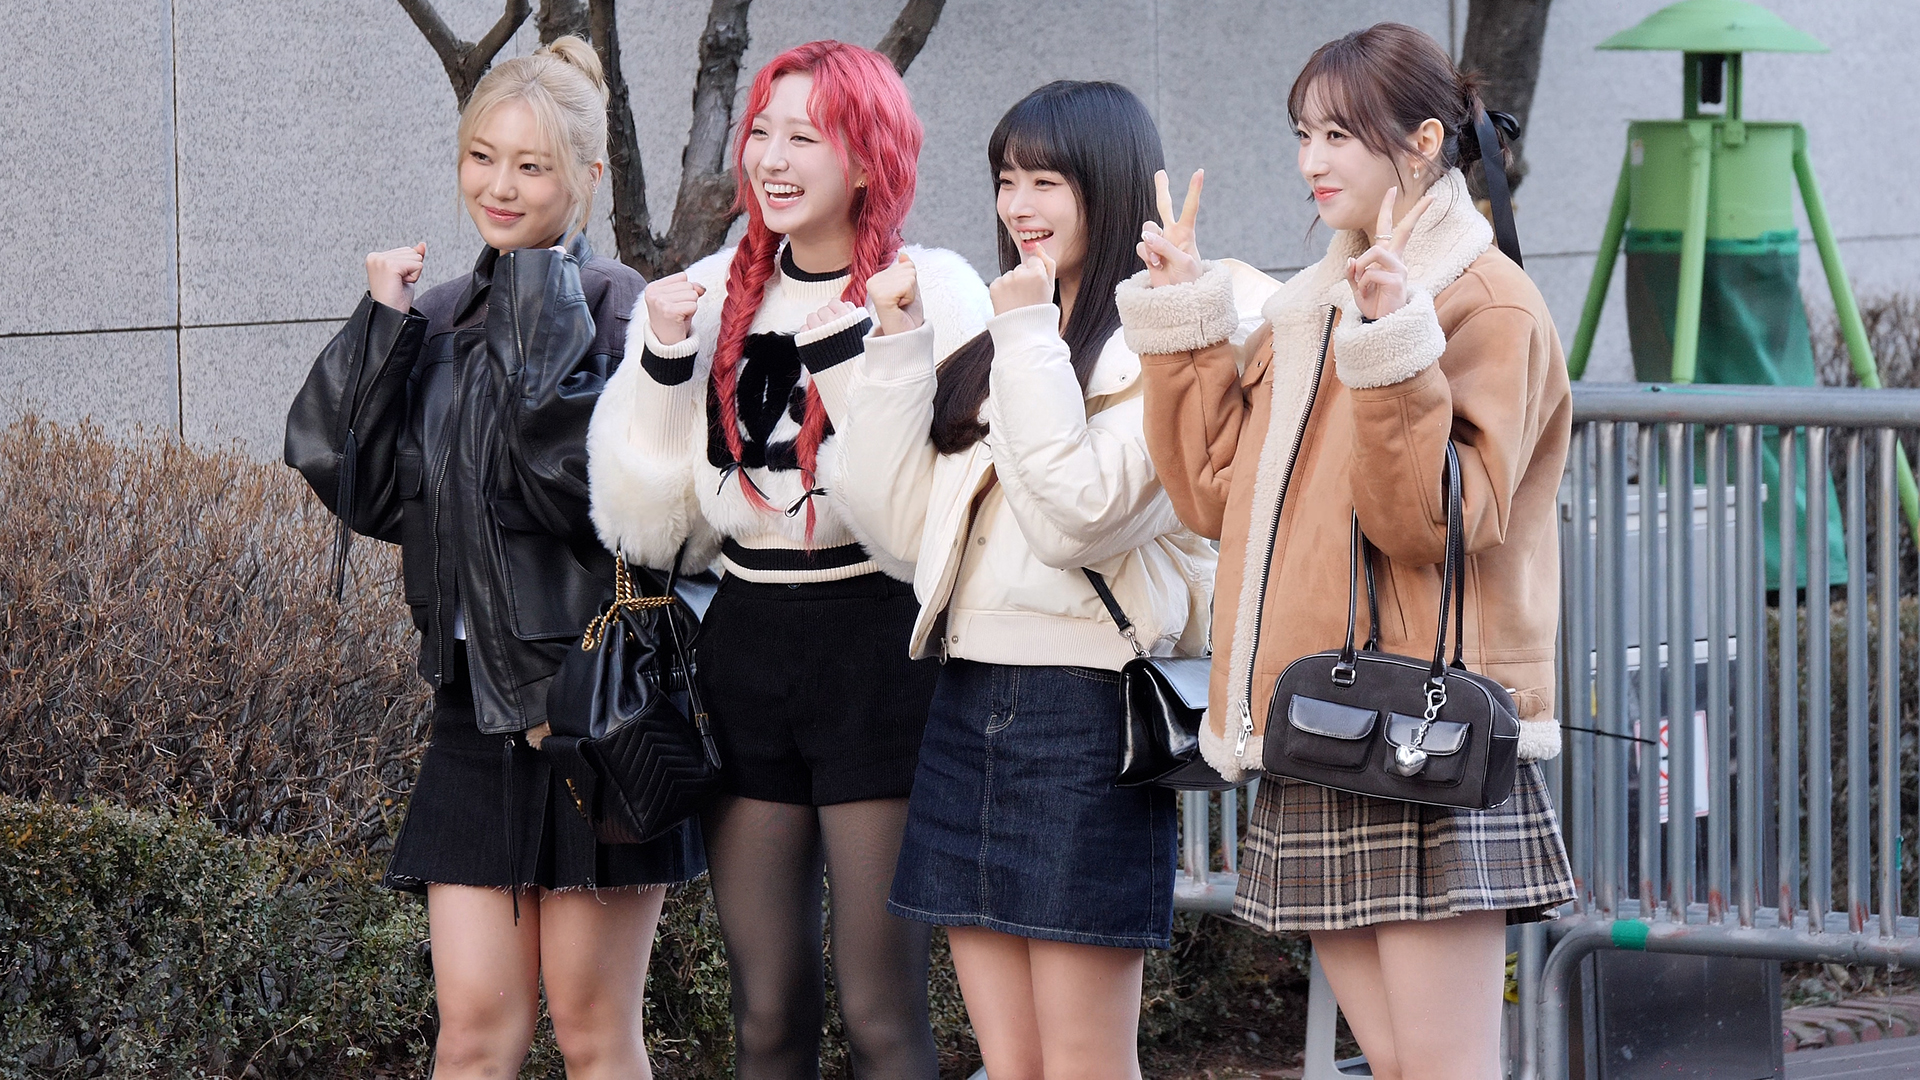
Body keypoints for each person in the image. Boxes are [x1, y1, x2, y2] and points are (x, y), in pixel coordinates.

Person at [1116, 23, 1575, 1080]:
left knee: (1446, 1069)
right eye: (1302, 134)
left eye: (1337, 135)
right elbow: (1214, 495)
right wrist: (1184, 320)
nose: (1310, 161)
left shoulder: (1488, 301)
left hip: (1424, 729)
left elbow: (1433, 523)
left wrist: (1396, 347)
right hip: (1324, 717)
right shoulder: (1310, 306)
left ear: (1424, 142)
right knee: (1400, 1067)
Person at [284, 37, 701, 1080]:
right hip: (472, 710)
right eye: (482, 157)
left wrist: (537, 296)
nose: (499, 187)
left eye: (531, 166)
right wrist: (380, 328)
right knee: (472, 1034)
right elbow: (356, 483)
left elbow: (573, 496)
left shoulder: (620, 310)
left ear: (586, 177)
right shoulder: (435, 317)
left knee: (594, 1032)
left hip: (593, 709)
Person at [585, 40, 989, 1080]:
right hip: (747, 649)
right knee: (766, 1013)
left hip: (879, 649)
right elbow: (649, 525)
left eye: (805, 136)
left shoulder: (933, 292)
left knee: (881, 1012)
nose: (771, 157)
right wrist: (664, 362)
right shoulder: (705, 292)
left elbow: (943, 509)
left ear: (868, 157)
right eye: (761, 131)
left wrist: (874, 343)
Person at [815, 81, 1222, 1080]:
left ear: (1107, 187)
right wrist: (899, 351)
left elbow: (1078, 515)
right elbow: (901, 530)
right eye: (1007, 180)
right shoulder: (1009, 335)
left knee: (1083, 1061)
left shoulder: (1164, 344)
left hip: (1087, 710)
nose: (1019, 206)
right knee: (1011, 1060)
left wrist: (1031, 334)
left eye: (1047, 181)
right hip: (966, 695)